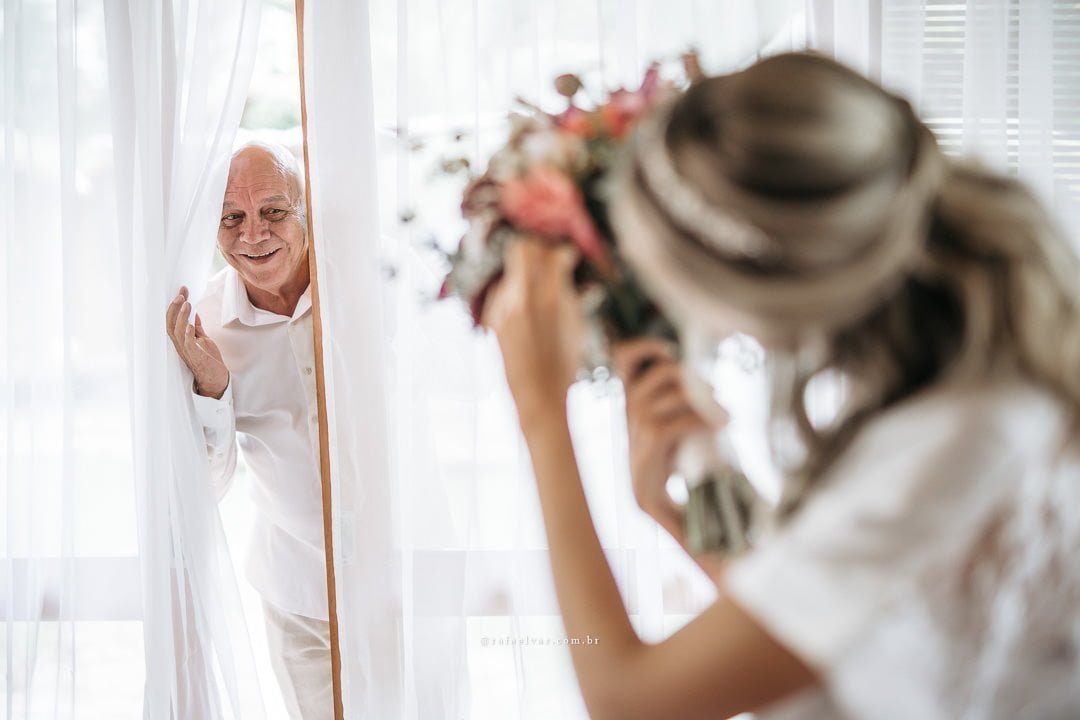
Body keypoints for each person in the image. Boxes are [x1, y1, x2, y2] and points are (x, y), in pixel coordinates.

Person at [481, 52, 1080, 719]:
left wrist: (541, 415)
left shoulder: (961, 439)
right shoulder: (950, 397)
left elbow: (626, 700)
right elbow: (838, 659)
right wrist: (685, 528)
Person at [165, 142, 332, 720]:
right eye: (230, 217)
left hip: (404, 578)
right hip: (298, 597)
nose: (252, 234)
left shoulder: (370, 280)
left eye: (274, 211)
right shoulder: (202, 321)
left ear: (306, 207)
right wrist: (212, 388)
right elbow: (206, 487)